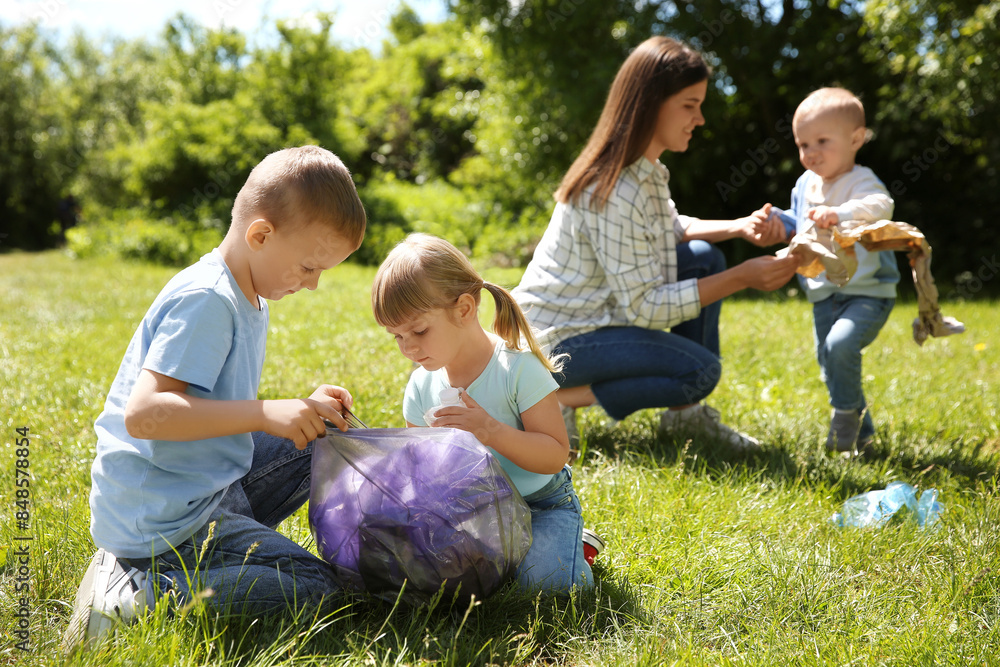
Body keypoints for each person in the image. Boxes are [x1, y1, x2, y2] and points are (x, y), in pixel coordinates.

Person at [62, 146, 367, 652]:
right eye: (309, 267)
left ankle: (138, 564)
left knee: (324, 437)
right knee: (319, 590)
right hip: (166, 519)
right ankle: (141, 594)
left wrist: (300, 408)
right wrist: (267, 413)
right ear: (261, 235)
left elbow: (212, 401)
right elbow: (144, 415)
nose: (313, 285)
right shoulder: (207, 299)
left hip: (198, 486)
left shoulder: (248, 294)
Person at [511, 36, 798, 450]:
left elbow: (671, 226)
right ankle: (553, 400)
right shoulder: (609, 190)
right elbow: (644, 307)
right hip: (554, 346)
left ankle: (684, 419)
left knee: (701, 256)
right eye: (689, 105)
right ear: (650, 103)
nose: (699, 119)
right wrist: (743, 277)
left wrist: (739, 226)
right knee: (699, 373)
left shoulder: (645, 172)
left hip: (596, 322)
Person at [371, 233, 594, 594]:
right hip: (472, 511)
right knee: (430, 577)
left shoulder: (517, 369)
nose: (408, 348)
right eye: (396, 336)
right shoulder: (420, 386)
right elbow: (422, 471)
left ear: (463, 309)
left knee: (543, 587)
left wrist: (489, 430)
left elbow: (555, 455)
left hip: (539, 505)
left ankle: (576, 547)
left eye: (418, 330)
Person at [762, 87, 898, 453]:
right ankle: (864, 437)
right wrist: (778, 222)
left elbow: (881, 206)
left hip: (867, 291)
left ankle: (842, 420)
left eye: (822, 141)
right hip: (823, 292)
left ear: (855, 139)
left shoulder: (861, 181)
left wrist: (841, 214)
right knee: (832, 365)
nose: (810, 153)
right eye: (802, 144)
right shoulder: (806, 183)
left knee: (840, 346)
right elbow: (800, 223)